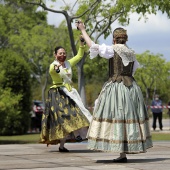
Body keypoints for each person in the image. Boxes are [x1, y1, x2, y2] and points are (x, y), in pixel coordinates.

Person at [76, 20, 153, 163]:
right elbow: (133, 71)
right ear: (126, 39)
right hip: (131, 88)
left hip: (117, 86)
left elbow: (93, 46)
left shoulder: (113, 49)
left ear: (114, 39)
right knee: (126, 119)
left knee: (116, 116)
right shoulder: (131, 53)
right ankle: (123, 153)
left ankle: (121, 152)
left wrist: (82, 30)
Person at [39, 35, 92, 152]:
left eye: (64, 53)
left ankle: (71, 139)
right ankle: (72, 136)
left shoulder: (68, 63)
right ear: (55, 54)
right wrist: (58, 69)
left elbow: (79, 56)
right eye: (60, 53)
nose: (62, 55)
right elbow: (53, 70)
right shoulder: (53, 65)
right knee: (63, 118)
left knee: (77, 112)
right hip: (58, 94)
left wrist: (81, 44)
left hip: (70, 93)